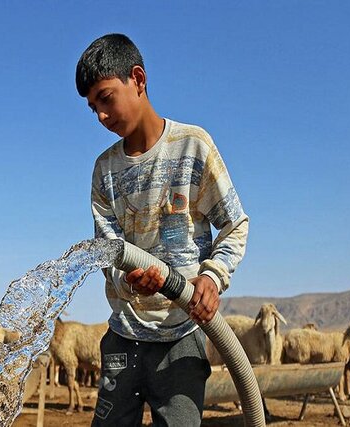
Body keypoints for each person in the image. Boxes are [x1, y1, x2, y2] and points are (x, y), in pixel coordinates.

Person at [75, 34, 249, 426]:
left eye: (105, 98)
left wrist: (211, 276)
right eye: (92, 108)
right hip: (124, 334)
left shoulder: (193, 146)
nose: (101, 116)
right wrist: (129, 280)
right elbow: (109, 253)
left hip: (181, 337)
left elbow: (234, 226)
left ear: (137, 79)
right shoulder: (105, 170)